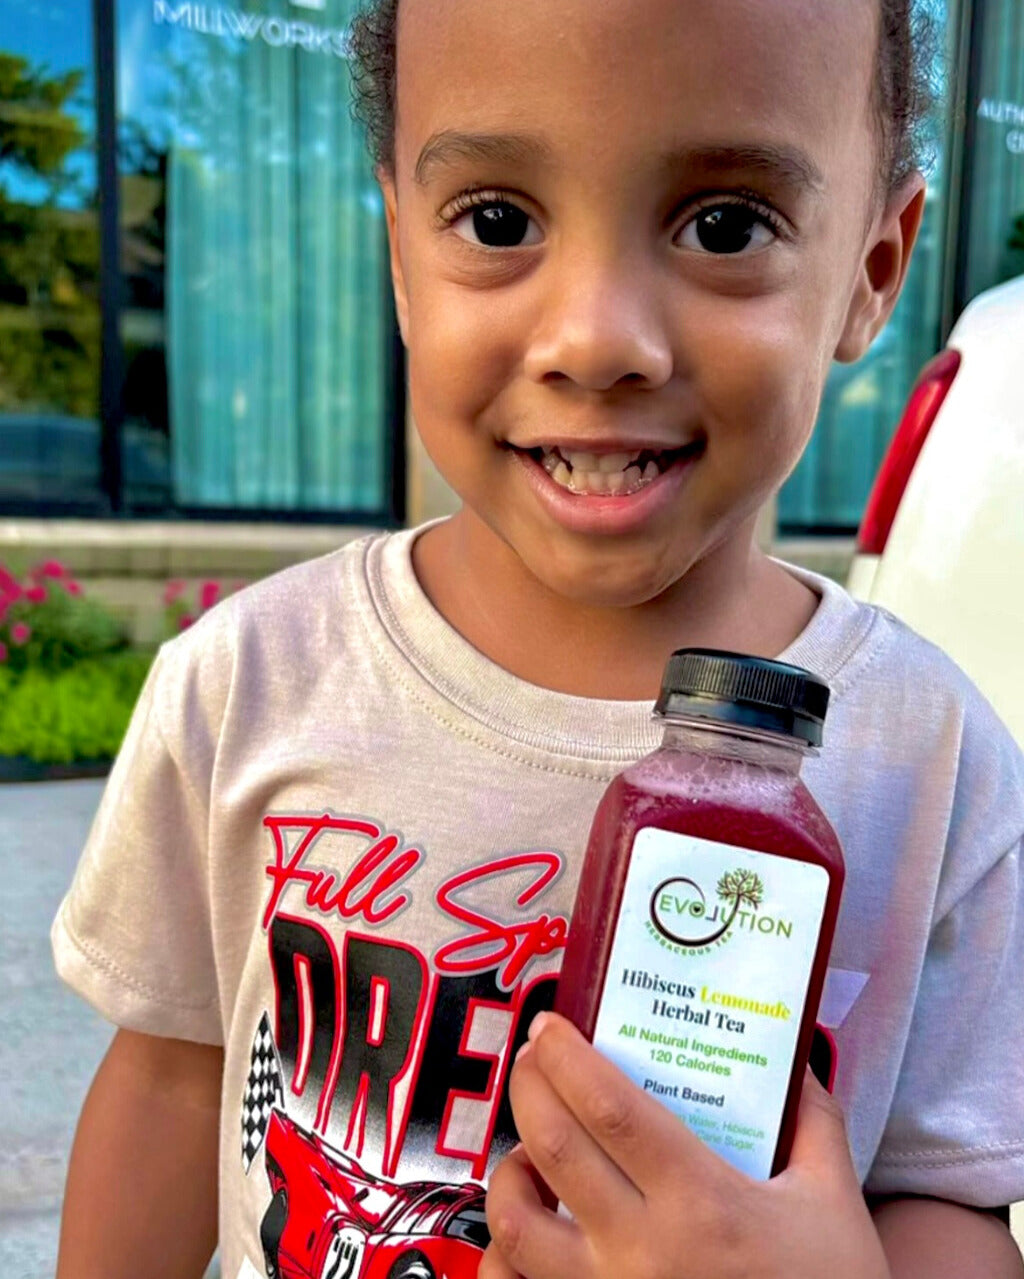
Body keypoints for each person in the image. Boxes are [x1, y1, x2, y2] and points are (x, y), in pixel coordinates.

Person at [53, 0, 1024, 1276]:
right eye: (497, 221)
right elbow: (174, 1083)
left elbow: (948, 1196)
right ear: (400, 254)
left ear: (871, 271)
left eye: (725, 225)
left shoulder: (937, 763)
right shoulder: (248, 683)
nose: (597, 339)